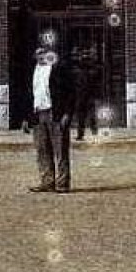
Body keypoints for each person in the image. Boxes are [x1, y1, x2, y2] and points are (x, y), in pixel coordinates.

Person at [29, 39, 75, 194]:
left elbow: (71, 93)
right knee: (42, 150)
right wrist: (26, 118)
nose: (41, 56)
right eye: (38, 53)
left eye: (43, 53)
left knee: (60, 150)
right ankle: (47, 182)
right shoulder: (33, 71)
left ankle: (62, 184)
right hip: (38, 114)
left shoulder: (59, 70)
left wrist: (67, 114)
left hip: (56, 114)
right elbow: (28, 95)